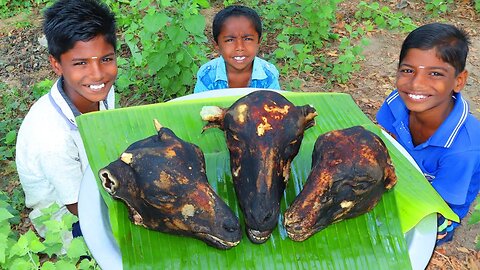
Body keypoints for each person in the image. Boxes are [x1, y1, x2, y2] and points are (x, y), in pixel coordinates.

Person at [15, 0, 117, 240]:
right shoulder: (51, 136)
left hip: (95, 182)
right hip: (69, 218)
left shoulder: (101, 89)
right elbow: (79, 207)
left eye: (106, 59)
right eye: (80, 63)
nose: (97, 74)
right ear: (56, 64)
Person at [376, 23, 480, 246]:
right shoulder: (396, 103)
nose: (416, 84)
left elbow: (440, 203)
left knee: (424, 237)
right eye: (408, 70)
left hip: (441, 205)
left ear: (458, 81)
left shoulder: (463, 149)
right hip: (404, 179)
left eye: (435, 73)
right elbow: (388, 138)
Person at [194, 5, 280, 93]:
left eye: (247, 39)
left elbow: (274, 105)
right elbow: (199, 105)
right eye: (230, 40)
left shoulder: (269, 76)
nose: (239, 47)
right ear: (216, 44)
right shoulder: (207, 76)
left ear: (259, 41)